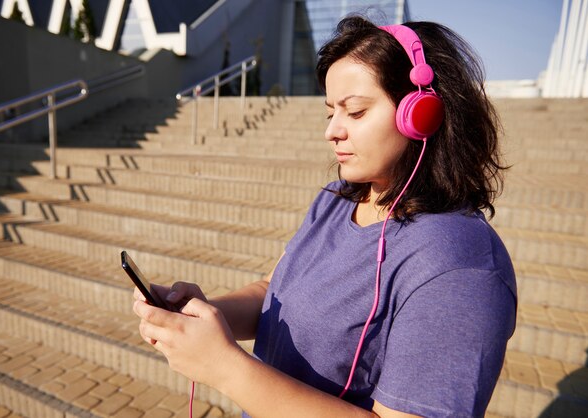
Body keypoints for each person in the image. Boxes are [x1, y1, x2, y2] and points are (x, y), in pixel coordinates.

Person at [132, 15, 517, 418]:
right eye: (330, 111)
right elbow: (273, 289)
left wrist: (224, 368)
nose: (332, 131)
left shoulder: (459, 265)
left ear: (421, 115)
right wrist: (207, 317)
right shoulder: (337, 199)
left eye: (354, 112)